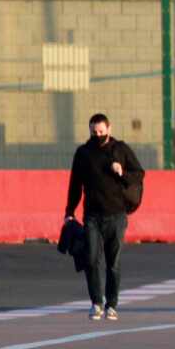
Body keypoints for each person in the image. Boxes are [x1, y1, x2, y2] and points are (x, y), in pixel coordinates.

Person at [64, 113, 145, 321]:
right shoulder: (83, 153)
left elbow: (139, 174)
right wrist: (69, 212)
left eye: (101, 131)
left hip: (117, 215)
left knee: (113, 262)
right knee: (91, 259)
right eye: (93, 132)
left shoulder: (121, 149)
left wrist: (121, 172)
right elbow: (75, 185)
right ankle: (96, 303)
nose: (97, 135)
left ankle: (112, 304)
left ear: (109, 129)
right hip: (92, 215)